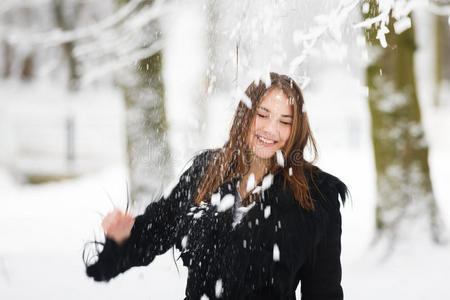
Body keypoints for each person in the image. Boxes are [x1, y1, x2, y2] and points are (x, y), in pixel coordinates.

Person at [84, 72, 348, 300]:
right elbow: (154, 233)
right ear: (246, 114)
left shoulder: (316, 196)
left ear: (297, 128)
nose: (271, 129)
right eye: (263, 114)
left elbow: (323, 293)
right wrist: (122, 238)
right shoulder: (206, 172)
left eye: (284, 121)